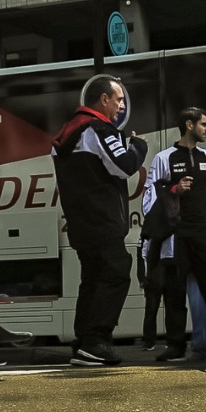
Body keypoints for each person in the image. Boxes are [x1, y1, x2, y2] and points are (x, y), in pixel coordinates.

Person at [52, 75, 148, 367]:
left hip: (81, 222)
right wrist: (138, 146)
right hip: (102, 220)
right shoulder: (98, 129)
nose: (121, 106)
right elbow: (125, 166)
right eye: (118, 99)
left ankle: (84, 343)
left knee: (92, 280)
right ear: (103, 99)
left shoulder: (68, 132)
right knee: (117, 271)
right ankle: (96, 341)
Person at [144, 107, 206, 363]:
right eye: (203, 124)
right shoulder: (163, 158)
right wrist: (175, 189)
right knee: (174, 292)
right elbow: (150, 199)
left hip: (202, 232)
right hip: (175, 234)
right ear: (189, 125)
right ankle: (176, 345)